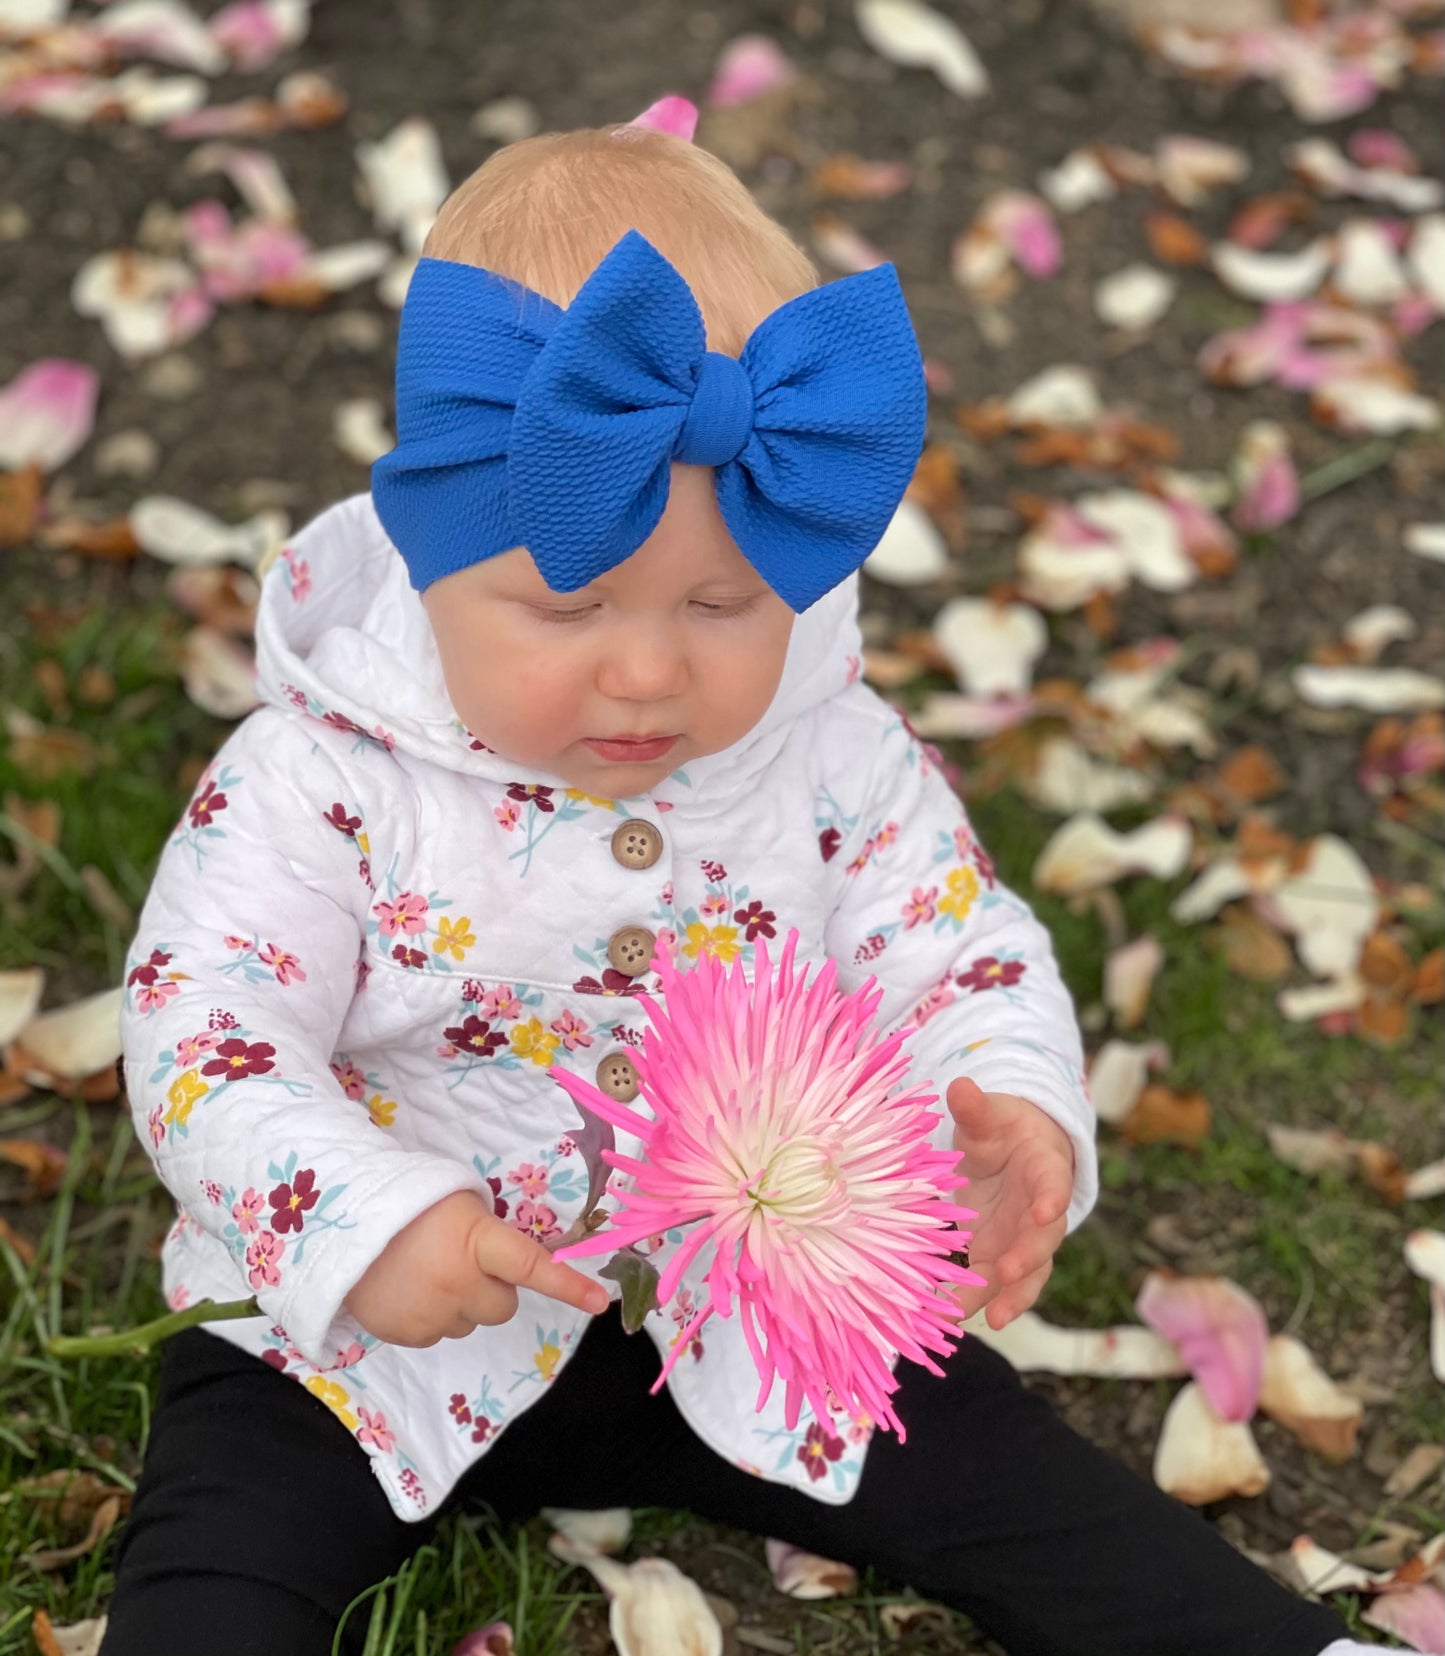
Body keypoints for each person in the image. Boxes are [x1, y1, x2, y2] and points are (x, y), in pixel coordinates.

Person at [104, 125, 1363, 1656]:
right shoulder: (315, 776)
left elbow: (950, 938)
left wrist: (1003, 1098)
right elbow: (205, 1031)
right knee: (216, 1562)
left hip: (748, 1294)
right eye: (568, 605)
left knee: (1023, 1486)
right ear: (429, 563)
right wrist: (361, 1227)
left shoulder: (823, 742)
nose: (649, 670)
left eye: (723, 603)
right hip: (361, 1341)